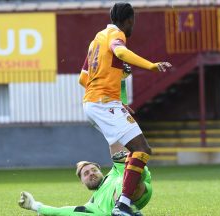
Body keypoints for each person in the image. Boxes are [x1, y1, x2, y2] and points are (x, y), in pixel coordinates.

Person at [78, 2, 171, 215]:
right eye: (133, 22)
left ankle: (123, 201)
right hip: (103, 104)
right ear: (129, 20)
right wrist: (151, 65)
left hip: (94, 103)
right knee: (142, 150)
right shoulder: (117, 35)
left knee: (131, 152)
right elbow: (120, 51)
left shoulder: (96, 40)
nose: (133, 26)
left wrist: (115, 99)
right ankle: (123, 205)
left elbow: (83, 79)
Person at [18, 151, 152, 216]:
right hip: (118, 205)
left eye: (94, 170)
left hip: (140, 188)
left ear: (100, 171)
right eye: (86, 174)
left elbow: (118, 152)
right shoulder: (91, 205)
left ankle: (125, 207)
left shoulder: (113, 173)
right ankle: (126, 208)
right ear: (82, 182)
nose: (91, 173)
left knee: (127, 172)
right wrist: (35, 205)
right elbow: (63, 211)